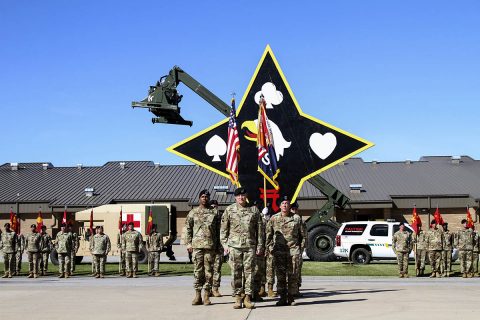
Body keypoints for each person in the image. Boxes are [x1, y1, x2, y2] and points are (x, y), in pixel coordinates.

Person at [221, 187, 264, 310]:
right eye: (239, 196)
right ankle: (238, 297)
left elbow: (260, 230)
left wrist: (260, 245)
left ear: (246, 196)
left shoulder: (254, 210)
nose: (241, 197)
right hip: (234, 247)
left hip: (250, 246)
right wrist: (225, 245)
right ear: (235, 197)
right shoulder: (229, 210)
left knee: (249, 273)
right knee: (236, 273)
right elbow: (223, 229)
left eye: (243, 195)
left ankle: (247, 298)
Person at [266, 196, 304, 306]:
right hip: (279, 252)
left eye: (287, 203)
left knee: (292, 275)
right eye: (283, 203)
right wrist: (270, 248)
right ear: (279, 205)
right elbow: (268, 235)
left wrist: (299, 249)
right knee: (280, 275)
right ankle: (282, 297)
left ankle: (291, 297)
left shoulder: (296, 218)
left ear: (289, 205)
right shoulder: (274, 218)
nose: (285, 205)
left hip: (293, 252)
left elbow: (303, 236)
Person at [185, 190, 219, 306]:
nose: (205, 198)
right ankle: (197, 295)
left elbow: (219, 231)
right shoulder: (193, 212)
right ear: (199, 198)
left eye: (207, 197)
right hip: (197, 246)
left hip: (210, 246)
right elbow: (187, 229)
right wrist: (188, 244)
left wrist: (219, 246)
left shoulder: (214, 212)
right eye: (203, 196)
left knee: (209, 271)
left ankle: (206, 296)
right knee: (197, 271)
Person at [291, 201, 307, 296]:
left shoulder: (300, 221)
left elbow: (304, 236)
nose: (294, 211)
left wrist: (302, 248)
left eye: (295, 209)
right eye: (292, 209)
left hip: (297, 249)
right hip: (289, 250)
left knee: (297, 270)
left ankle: (296, 289)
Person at [210, 199, 224, 297]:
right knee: (208, 269)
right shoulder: (207, 216)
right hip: (208, 247)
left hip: (219, 247)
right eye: (212, 206)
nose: (214, 207)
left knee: (217, 268)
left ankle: (215, 288)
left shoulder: (222, 216)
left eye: (215, 206)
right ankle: (208, 289)